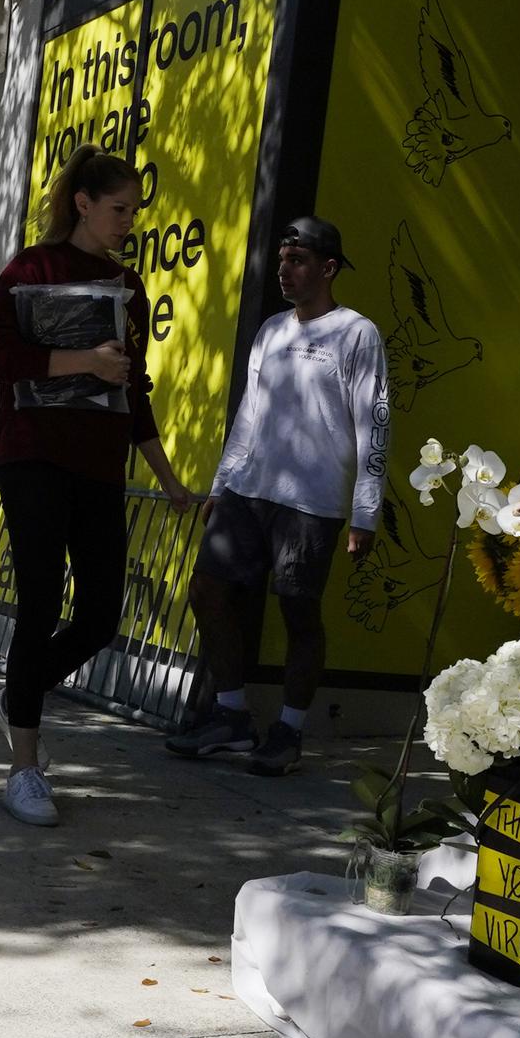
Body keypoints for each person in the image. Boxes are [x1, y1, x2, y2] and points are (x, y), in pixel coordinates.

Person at [0, 148, 196, 828]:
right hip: (32, 455)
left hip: (100, 464)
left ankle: (20, 692)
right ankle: (24, 767)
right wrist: (83, 361)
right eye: (119, 208)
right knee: (39, 598)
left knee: (101, 614)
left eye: (135, 211)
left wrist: (170, 479)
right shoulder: (30, 269)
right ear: (83, 203)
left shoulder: (128, 285)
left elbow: (133, 392)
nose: (129, 221)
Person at [166, 217, 388, 776]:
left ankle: (289, 730)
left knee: (298, 611)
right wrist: (221, 484)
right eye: (283, 260)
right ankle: (233, 717)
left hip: (311, 503)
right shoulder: (270, 331)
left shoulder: (357, 333)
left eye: (299, 261)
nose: (285, 270)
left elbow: (374, 424)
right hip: (247, 490)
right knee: (207, 591)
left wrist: (365, 511)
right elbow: (249, 414)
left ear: (329, 268)